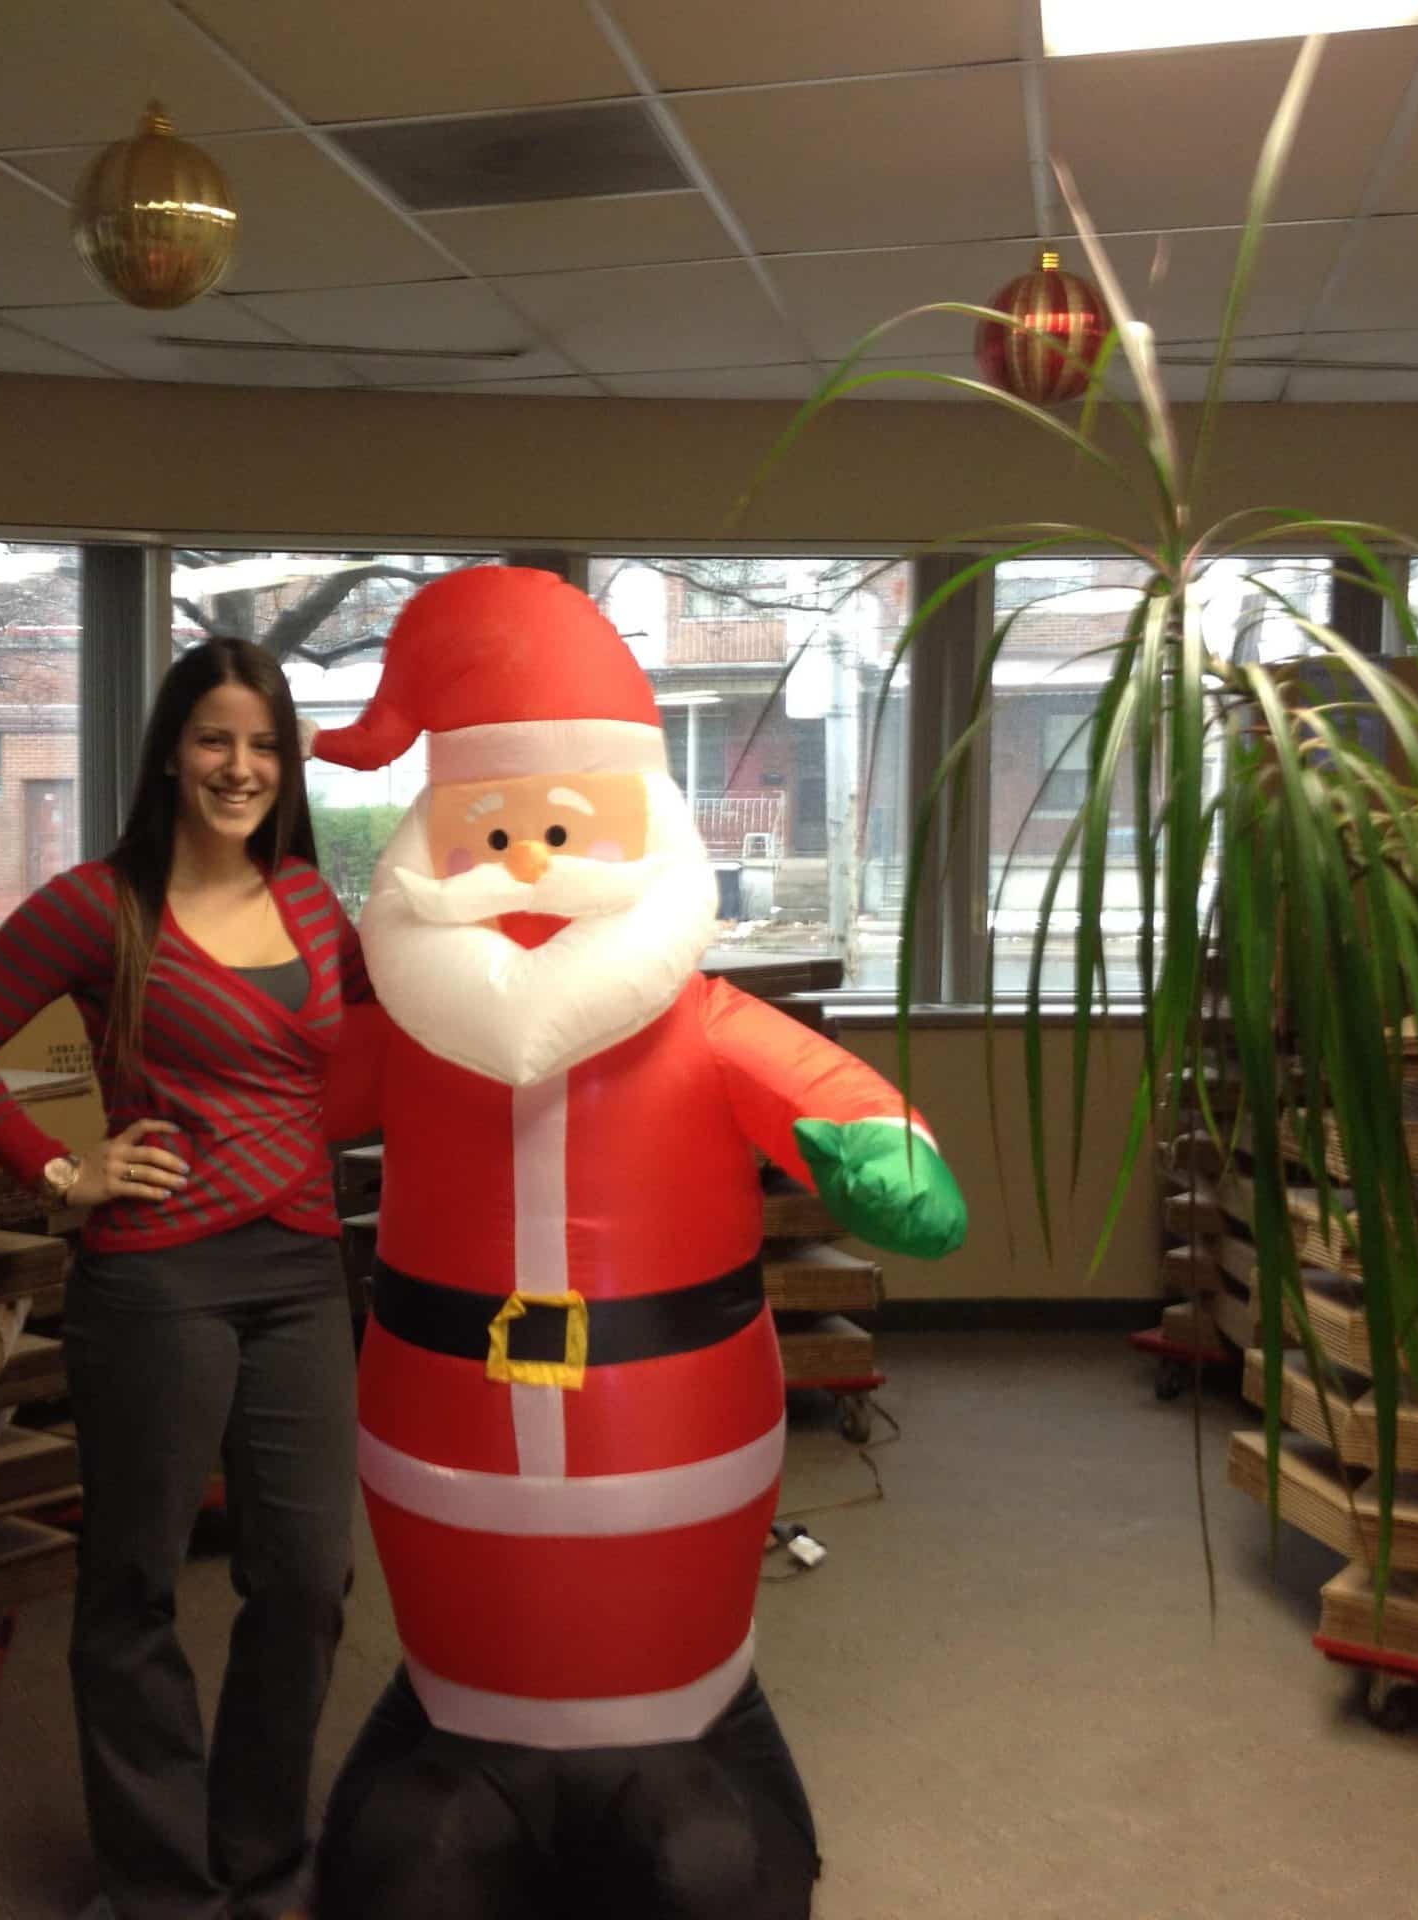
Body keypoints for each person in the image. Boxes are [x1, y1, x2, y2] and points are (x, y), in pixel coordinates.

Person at [305, 569, 968, 1920]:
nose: (530, 863)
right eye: (493, 833)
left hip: (675, 1484)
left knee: (706, 1871)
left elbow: (846, 1114)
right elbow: (282, 1102)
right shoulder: (414, 1036)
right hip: (441, 1464)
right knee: (411, 1872)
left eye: (561, 830)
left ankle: (687, 1736)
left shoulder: (709, 1031)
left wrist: (883, 1155)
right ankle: (455, 1728)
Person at [0, 638, 361, 1920]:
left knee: (307, 1581)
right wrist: (63, 1171)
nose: (240, 766)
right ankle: (161, 1885)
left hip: (301, 1269)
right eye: (216, 738)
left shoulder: (312, 903)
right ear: (171, 751)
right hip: (158, 1276)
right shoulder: (95, 904)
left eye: (265, 744)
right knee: (135, 1584)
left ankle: (258, 1859)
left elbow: (426, 1006)